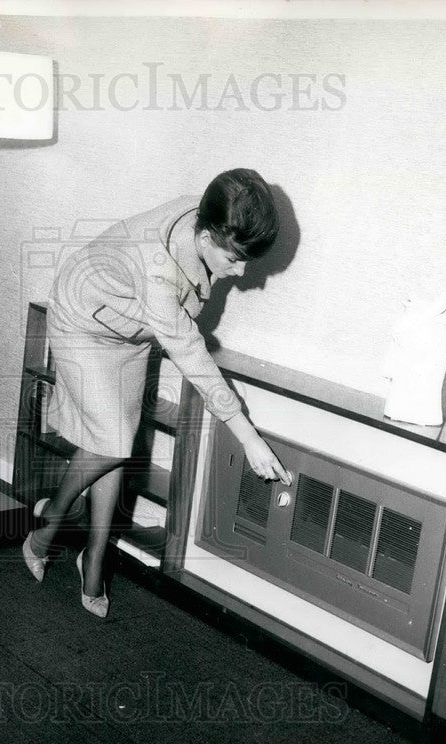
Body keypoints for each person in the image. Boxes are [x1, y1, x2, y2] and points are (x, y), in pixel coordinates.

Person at [23, 168, 291, 618]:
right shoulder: (158, 268)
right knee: (108, 442)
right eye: (235, 258)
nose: (244, 272)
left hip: (130, 327)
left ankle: (92, 560)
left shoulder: (207, 212)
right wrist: (247, 435)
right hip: (82, 320)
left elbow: (179, 319)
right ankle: (50, 523)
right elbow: (189, 350)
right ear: (205, 237)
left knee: (115, 445)